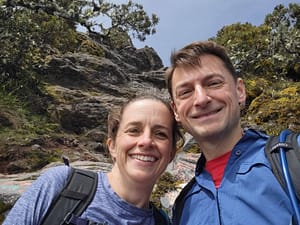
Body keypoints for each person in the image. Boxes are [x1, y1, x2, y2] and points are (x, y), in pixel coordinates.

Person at [165, 41, 300, 225]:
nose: (201, 99)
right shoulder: (183, 208)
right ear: (175, 111)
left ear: (240, 91)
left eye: (213, 83)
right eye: (185, 92)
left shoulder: (292, 156)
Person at [3, 95, 183, 225]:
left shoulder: (163, 222)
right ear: (112, 146)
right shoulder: (62, 185)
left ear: (171, 154)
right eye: (134, 130)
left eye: (160, 134)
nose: (146, 141)